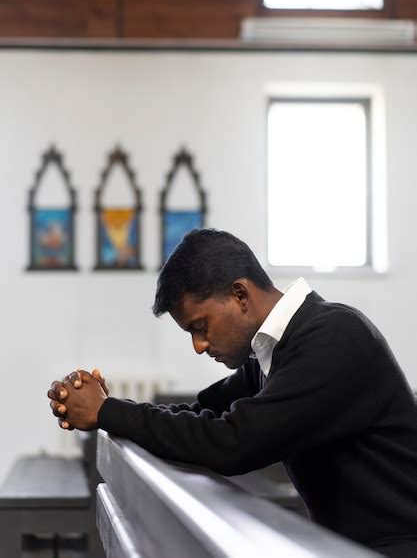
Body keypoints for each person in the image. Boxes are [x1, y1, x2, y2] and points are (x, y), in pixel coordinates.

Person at [48, 228, 417, 557]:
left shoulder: (334, 336)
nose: (198, 345)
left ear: (240, 294)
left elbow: (234, 441)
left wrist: (107, 411)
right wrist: (109, 406)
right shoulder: (267, 355)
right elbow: (200, 412)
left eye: (200, 326)